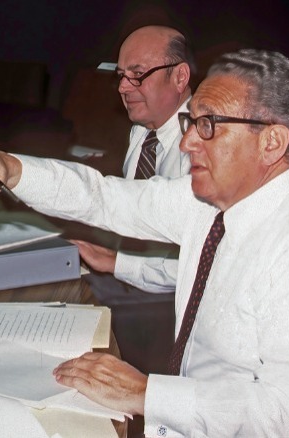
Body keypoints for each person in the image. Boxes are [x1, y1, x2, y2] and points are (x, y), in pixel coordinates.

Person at [0, 49, 289, 437]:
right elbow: (105, 196)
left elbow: (280, 419)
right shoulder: (215, 197)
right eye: (192, 121)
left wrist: (145, 392)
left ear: (272, 142)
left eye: (209, 124)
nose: (190, 141)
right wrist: (11, 167)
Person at [72, 25, 192, 296]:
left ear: (180, 76)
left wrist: (116, 263)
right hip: (136, 279)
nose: (123, 88)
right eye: (121, 76)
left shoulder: (203, 143)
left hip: (174, 301)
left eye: (138, 75)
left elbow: (198, 264)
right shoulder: (141, 130)